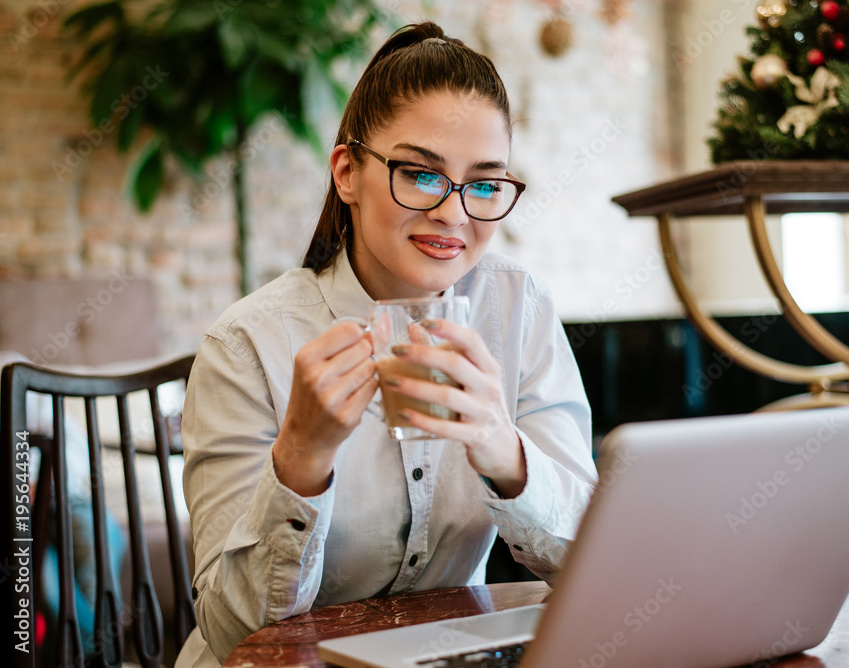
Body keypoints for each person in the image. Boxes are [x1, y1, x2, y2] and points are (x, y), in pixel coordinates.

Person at [176, 22, 597, 667]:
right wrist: (302, 458)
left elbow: (599, 569)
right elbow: (235, 635)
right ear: (347, 172)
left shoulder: (520, 310)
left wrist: (504, 452)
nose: (455, 214)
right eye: (420, 174)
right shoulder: (245, 346)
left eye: (484, 184)